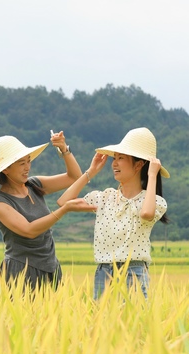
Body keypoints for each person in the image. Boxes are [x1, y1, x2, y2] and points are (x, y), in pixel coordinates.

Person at [57, 127, 169, 299]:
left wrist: (152, 174)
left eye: (121, 158)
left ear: (139, 165)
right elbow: (64, 202)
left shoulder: (153, 202)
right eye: (114, 158)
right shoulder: (105, 197)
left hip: (134, 272)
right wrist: (90, 172)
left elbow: (146, 213)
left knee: (135, 324)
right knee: (102, 324)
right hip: (103, 272)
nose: (114, 163)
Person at [0, 131, 94, 291]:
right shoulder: (0, 203)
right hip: (20, 271)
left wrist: (64, 149)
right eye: (21, 163)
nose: (27, 167)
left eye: (28, 161)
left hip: (50, 267)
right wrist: (64, 210)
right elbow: (29, 230)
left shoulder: (34, 184)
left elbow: (74, 177)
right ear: (6, 169)